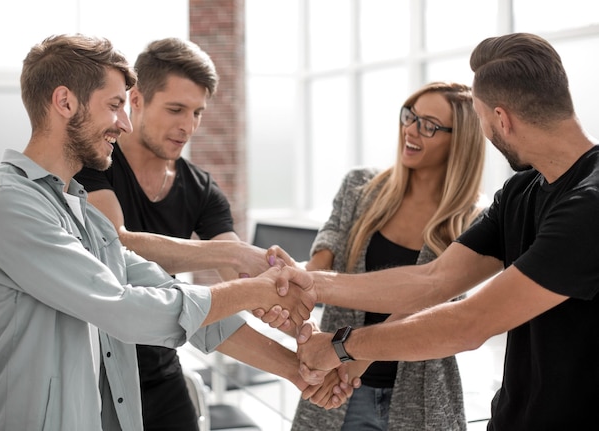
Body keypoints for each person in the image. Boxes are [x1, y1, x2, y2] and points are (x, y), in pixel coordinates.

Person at [0, 34, 320, 431]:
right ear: (65, 102)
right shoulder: (7, 202)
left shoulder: (83, 214)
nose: (124, 122)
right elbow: (124, 308)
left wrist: (298, 367)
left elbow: (178, 299)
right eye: (115, 105)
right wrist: (256, 287)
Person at [275, 32, 599, 430]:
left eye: (480, 119)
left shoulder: (591, 205)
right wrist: (313, 284)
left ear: (502, 119)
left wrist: (342, 347)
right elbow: (434, 278)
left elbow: (469, 322)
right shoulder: (521, 190)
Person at [73, 37, 348, 430]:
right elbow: (118, 243)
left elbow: (242, 284)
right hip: (93, 371)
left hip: (161, 367)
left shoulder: (201, 189)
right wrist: (235, 257)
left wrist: (303, 334)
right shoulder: (95, 163)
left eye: (198, 112)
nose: (188, 126)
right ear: (135, 99)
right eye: (176, 109)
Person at [290, 81, 486, 431]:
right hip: (339, 388)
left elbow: (436, 298)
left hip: (420, 398)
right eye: (410, 116)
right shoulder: (360, 186)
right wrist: (301, 280)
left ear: (460, 140)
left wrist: (356, 357)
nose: (410, 130)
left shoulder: (472, 219)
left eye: (429, 125)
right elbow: (329, 242)